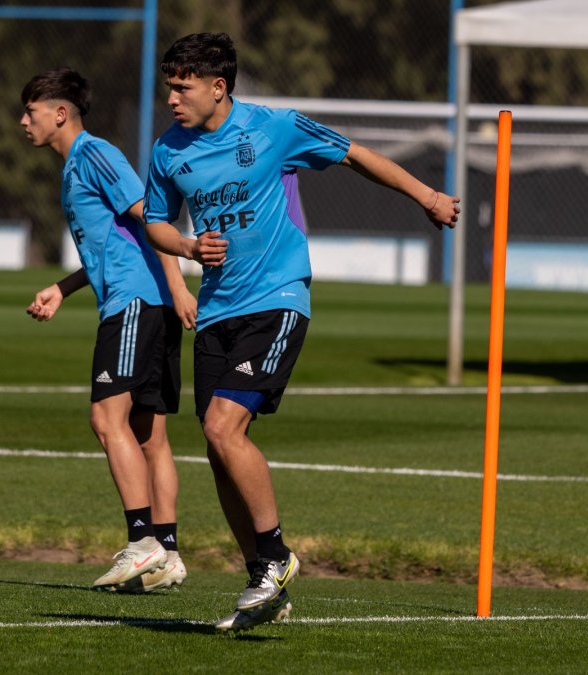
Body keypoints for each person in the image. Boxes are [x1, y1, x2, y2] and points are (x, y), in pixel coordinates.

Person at [141, 33, 460, 630]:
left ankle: (278, 555)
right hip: (216, 311)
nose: (172, 99)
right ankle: (263, 579)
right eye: (169, 87)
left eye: (182, 88)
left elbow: (355, 154)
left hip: (278, 298)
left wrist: (428, 196)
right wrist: (185, 246)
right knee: (217, 451)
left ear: (219, 87)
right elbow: (154, 220)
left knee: (221, 426)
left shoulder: (274, 128)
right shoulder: (167, 150)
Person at [20, 68, 197, 593]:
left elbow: (152, 220)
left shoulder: (94, 155)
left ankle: (142, 543)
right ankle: (167, 554)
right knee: (149, 435)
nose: (22, 121)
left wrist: (180, 283)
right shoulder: (75, 166)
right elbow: (114, 241)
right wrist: (64, 287)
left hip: (135, 303)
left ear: (59, 113)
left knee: (105, 417)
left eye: (30, 112)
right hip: (147, 302)